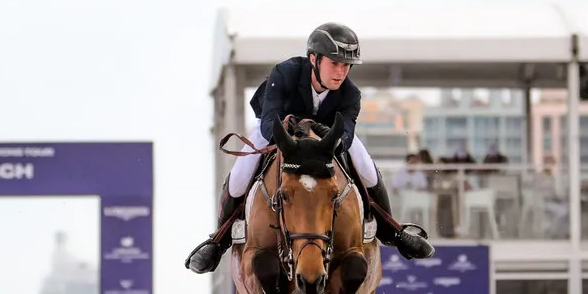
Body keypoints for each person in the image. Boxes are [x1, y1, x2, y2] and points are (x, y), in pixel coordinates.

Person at [185, 22, 434, 274]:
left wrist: (330, 136)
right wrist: (291, 127)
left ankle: (393, 231)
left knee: (367, 169)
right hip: (277, 130)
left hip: (323, 137)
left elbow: (346, 135)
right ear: (313, 59)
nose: (340, 72)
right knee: (240, 176)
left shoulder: (351, 95)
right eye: (334, 63)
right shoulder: (284, 73)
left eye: (346, 65)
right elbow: (269, 123)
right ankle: (219, 241)